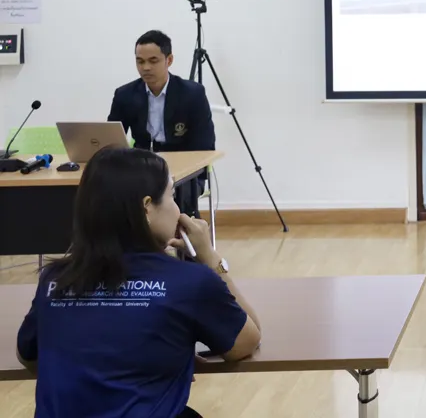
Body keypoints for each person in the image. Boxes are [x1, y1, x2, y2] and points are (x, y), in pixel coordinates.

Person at [15, 146, 261, 418]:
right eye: (172, 195)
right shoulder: (189, 282)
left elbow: (27, 354)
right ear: (147, 207)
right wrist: (210, 257)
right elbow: (246, 341)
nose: (178, 209)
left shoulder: (55, 279)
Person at [108, 30, 216, 217]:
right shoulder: (125, 95)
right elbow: (111, 140)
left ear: (169, 60)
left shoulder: (192, 94)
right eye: (140, 61)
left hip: (185, 171)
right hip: (143, 167)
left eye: (153, 61)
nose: (146, 67)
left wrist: (191, 173)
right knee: (115, 192)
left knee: (169, 197)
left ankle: (183, 233)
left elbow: (204, 145)